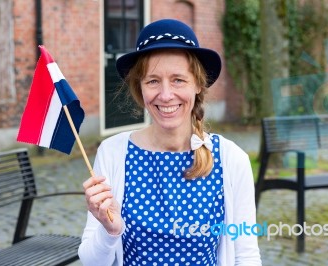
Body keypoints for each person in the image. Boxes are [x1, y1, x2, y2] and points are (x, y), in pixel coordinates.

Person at [78, 19, 261, 265]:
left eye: (178, 80)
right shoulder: (113, 153)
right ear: (139, 88)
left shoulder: (230, 159)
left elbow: (246, 255)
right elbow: (91, 261)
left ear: (197, 84)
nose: (165, 95)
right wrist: (110, 230)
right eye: (153, 81)